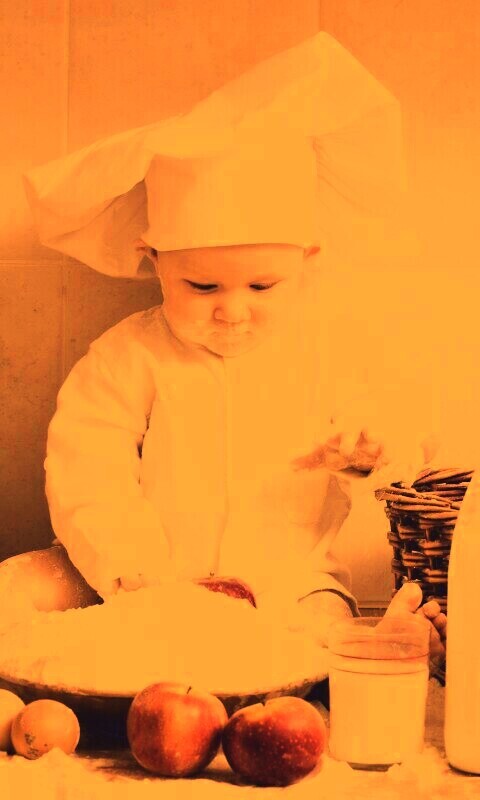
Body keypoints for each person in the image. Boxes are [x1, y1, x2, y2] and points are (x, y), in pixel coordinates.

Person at [18, 33, 445, 661]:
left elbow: (405, 445)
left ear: (306, 262)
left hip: (289, 586)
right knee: (24, 588)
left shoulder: (328, 353)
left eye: (263, 286)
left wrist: (369, 450)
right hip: (149, 582)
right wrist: (138, 574)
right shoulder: (127, 357)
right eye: (202, 285)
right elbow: (88, 470)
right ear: (154, 260)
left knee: (320, 629)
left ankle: (380, 645)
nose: (233, 310)